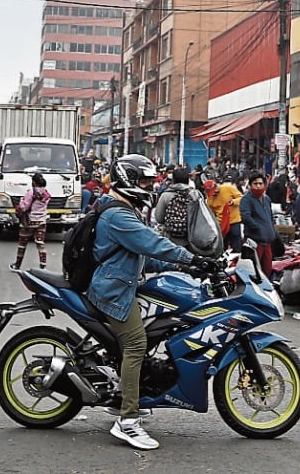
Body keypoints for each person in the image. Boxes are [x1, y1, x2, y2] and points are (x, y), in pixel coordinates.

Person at [88, 155, 201, 451]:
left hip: (122, 282)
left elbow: (143, 255)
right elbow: (152, 243)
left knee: (152, 333)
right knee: (136, 343)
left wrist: (186, 266)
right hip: (113, 290)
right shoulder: (119, 215)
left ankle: (122, 396)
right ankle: (128, 422)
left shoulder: (122, 207)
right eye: (145, 181)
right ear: (128, 180)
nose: (150, 186)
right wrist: (190, 258)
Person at [239, 172, 276, 276]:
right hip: (254, 242)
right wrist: (258, 228)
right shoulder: (246, 199)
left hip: (267, 242)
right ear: (250, 185)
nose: (258, 186)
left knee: (267, 270)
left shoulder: (267, 199)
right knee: (254, 272)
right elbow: (246, 217)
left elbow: (270, 217)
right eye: (255, 183)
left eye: (260, 183)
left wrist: (271, 231)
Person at [11, 173, 51, 271]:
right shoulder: (46, 194)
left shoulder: (30, 192)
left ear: (33, 182)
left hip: (29, 221)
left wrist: (21, 202)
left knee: (22, 244)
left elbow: (24, 207)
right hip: (41, 221)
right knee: (40, 243)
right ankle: (43, 265)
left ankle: (17, 265)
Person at [205, 180, 243, 252]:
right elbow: (212, 214)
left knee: (236, 244)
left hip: (233, 221)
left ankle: (238, 258)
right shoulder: (210, 199)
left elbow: (242, 198)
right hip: (221, 225)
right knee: (223, 246)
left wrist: (233, 202)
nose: (214, 194)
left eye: (214, 191)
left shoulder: (228, 188)